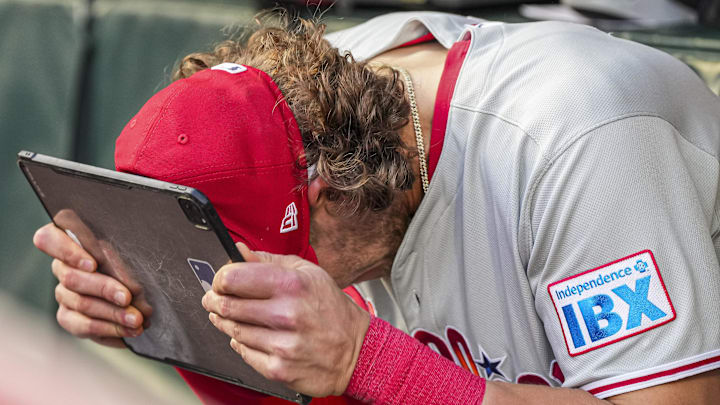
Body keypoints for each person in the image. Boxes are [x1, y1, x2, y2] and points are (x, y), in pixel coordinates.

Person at [33, 10, 720, 404]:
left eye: (252, 273)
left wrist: (373, 360)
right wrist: (158, 312)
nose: (240, 292)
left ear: (326, 198)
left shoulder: (576, 139)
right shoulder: (302, 109)